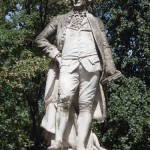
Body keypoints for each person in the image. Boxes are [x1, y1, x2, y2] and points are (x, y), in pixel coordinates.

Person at [35, 0, 121, 150]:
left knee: (86, 106)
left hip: (92, 64)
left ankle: (81, 146)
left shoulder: (96, 21)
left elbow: (104, 45)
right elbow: (40, 39)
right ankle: (58, 142)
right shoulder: (60, 19)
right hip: (67, 64)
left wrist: (110, 68)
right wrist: (56, 55)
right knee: (63, 101)